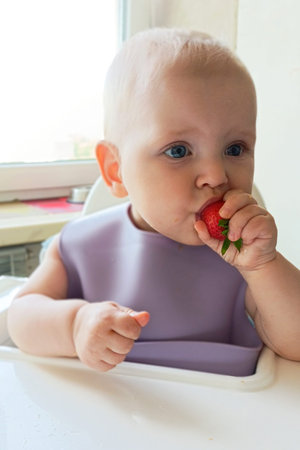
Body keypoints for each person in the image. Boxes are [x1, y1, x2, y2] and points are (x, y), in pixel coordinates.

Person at [7, 28, 300, 376]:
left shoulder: (243, 256)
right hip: (109, 413)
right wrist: (74, 325)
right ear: (116, 170)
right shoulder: (81, 246)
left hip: (219, 419)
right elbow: (20, 317)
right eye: (178, 150)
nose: (216, 175)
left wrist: (263, 267)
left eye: (235, 149)